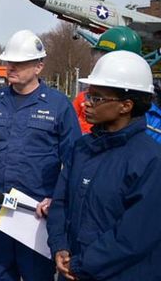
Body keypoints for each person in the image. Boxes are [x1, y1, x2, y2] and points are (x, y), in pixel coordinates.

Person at [0, 29, 81, 280]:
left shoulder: (58, 106)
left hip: (36, 213)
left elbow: (74, 159)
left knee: (36, 275)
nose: (11, 67)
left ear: (39, 66)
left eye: (19, 63)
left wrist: (56, 199)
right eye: (9, 62)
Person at [47, 50, 161, 280]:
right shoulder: (82, 148)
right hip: (74, 269)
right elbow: (60, 201)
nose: (86, 104)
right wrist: (59, 246)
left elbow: (135, 235)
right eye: (88, 95)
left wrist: (82, 264)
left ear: (126, 106)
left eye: (96, 98)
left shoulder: (150, 160)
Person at [72, 26, 143, 134]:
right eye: (98, 56)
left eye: (97, 99)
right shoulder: (83, 97)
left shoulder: (149, 118)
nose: (100, 64)